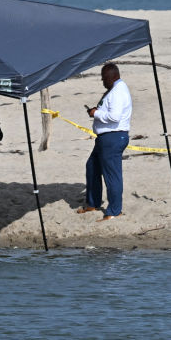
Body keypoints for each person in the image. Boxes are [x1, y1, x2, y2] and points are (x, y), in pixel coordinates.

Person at [76, 63, 131, 221]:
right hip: (104, 138)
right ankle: (93, 203)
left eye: (104, 78)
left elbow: (115, 116)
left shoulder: (118, 92)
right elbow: (110, 112)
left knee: (112, 175)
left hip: (113, 138)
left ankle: (115, 211)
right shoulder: (114, 90)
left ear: (112, 77)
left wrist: (96, 113)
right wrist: (97, 111)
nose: (102, 81)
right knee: (91, 166)